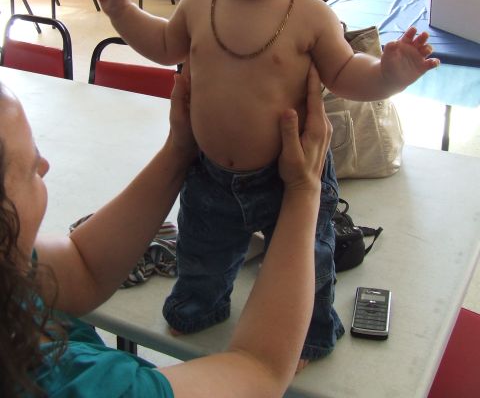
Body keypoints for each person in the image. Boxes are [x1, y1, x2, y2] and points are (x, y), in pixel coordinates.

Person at [92, 0, 439, 365]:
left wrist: (390, 75)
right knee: (200, 252)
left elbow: (347, 75)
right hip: (209, 174)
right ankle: (199, 308)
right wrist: (122, 12)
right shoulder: (197, 2)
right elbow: (163, 46)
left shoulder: (312, 16)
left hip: (289, 177)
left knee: (307, 261)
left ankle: (308, 333)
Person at [0, 67, 331, 398]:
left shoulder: (9, 265)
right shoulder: (85, 387)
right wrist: (304, 189)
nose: (44, 165)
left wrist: (180, 148)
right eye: (29, 170)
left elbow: (82, 265)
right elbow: (259, 369)